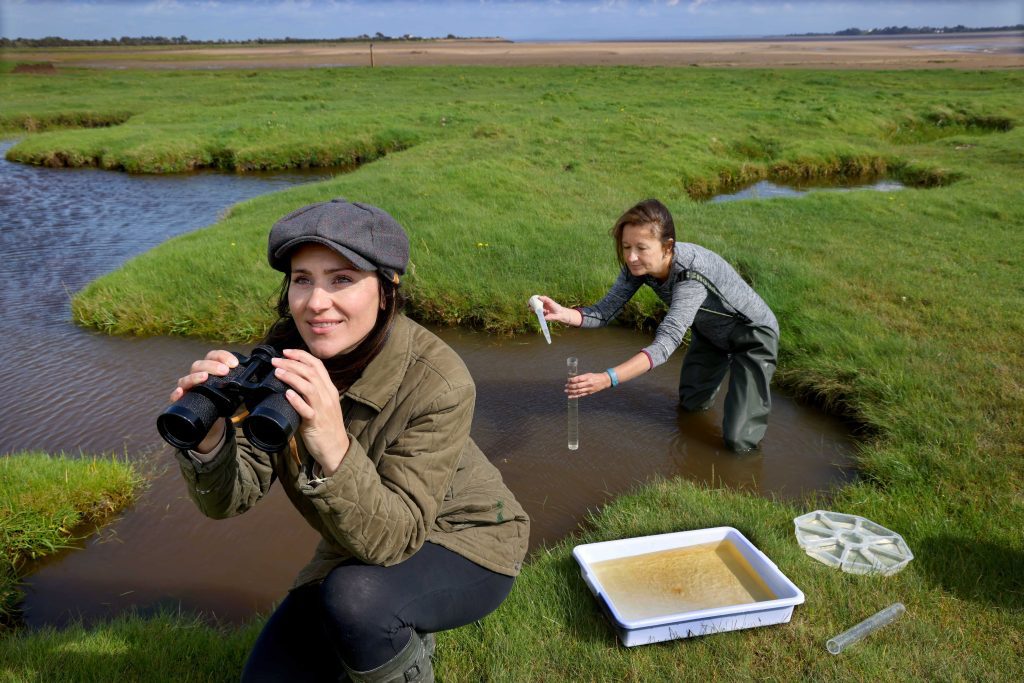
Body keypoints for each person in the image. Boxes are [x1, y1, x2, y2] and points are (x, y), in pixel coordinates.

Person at [168, 198, 529, 682]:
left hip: (467, 538)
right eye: (302, 279)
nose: (316, 303)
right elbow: (229, 501)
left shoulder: (440, 382)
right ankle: (391, 618)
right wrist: (212, 441)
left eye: (342, 279)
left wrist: (332, 442)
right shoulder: (284, 362)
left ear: (386, 291)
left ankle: (402, 634)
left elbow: (395, 540)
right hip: (354, 539)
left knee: (358, 602)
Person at [538, 198, 779, 452]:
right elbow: (603, 312)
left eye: (641, 248)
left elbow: (665, 344)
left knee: (739, 441)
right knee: (690, 405)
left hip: (752, 335)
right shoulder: (637, 267)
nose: (631, 257)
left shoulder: (691, 275)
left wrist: (607, 379)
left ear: (667, 246)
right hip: (710, 333)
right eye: (626, 246)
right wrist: (564, 313)